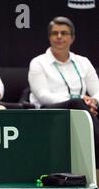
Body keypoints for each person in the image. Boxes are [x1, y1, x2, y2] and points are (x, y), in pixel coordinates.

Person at [28, 16, 99, 169]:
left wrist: (93, 101)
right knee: (77, 103)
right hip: (50, 112)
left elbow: (97, 90)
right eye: (55, 33)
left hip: (84, 109)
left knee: (81, 105)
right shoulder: (38, 63)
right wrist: (80, 99)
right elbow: (43, 96)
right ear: (49, 37)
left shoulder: (83, 62)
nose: (59, 37)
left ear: (72, 38)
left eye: (64, 33)